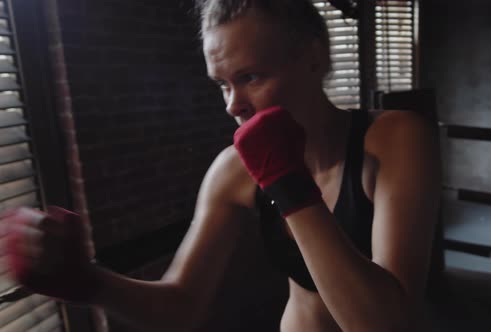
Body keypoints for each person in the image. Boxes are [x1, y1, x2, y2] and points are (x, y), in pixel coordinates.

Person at [0, 0, 441, 331]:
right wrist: (85, 282)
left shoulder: (395, 138)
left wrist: (288, 185)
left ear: (313, 57)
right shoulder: (233, 171)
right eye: (222, 85)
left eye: (251, 77)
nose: (233, 105)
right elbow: (181, 306)